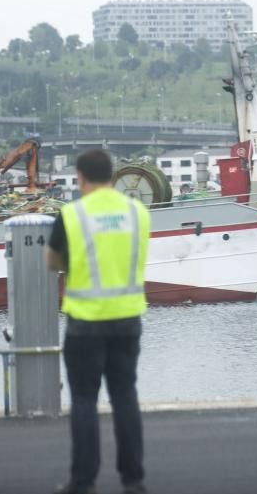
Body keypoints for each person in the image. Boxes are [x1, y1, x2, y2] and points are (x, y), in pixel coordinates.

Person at [46, 149, 150, 494]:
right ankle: (133, 479)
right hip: (128, 317)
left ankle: (84, 480)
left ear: (80, 178)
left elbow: (52, 262)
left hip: (85, 321)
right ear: (112, 175)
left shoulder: (72, 214)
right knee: (125, 397)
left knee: (85, 401)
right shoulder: (137, 212)